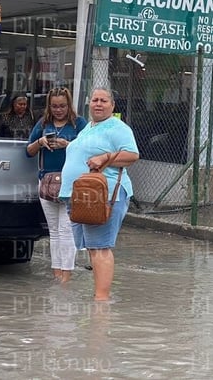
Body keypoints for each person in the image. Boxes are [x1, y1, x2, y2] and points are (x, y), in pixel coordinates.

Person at [58, 87, 139, 301]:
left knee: (100, 247)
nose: (98, 104)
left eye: (104, 100)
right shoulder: (89, 127)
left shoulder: (117, 127)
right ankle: (98, 299)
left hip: (102, 195)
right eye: (95, 100)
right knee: (93, 248)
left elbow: (132, 155)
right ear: (89, 103)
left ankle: (102, 302)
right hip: (79, 196)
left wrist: (106, 158)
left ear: (112, 105)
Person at [26, 87, 87, 282]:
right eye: (54, 106)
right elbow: (28, 150)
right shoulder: (43, 123)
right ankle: (57, 273)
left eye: (62, 106)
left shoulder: (79, 124)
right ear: (49, 107)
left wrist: (67, 144)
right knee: (54, 230)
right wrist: (41, 142)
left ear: (69, 105)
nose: (58, 110)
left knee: (67, 229)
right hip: (47, 181)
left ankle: (66, 275)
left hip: (72, 183)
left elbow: (89, 149)